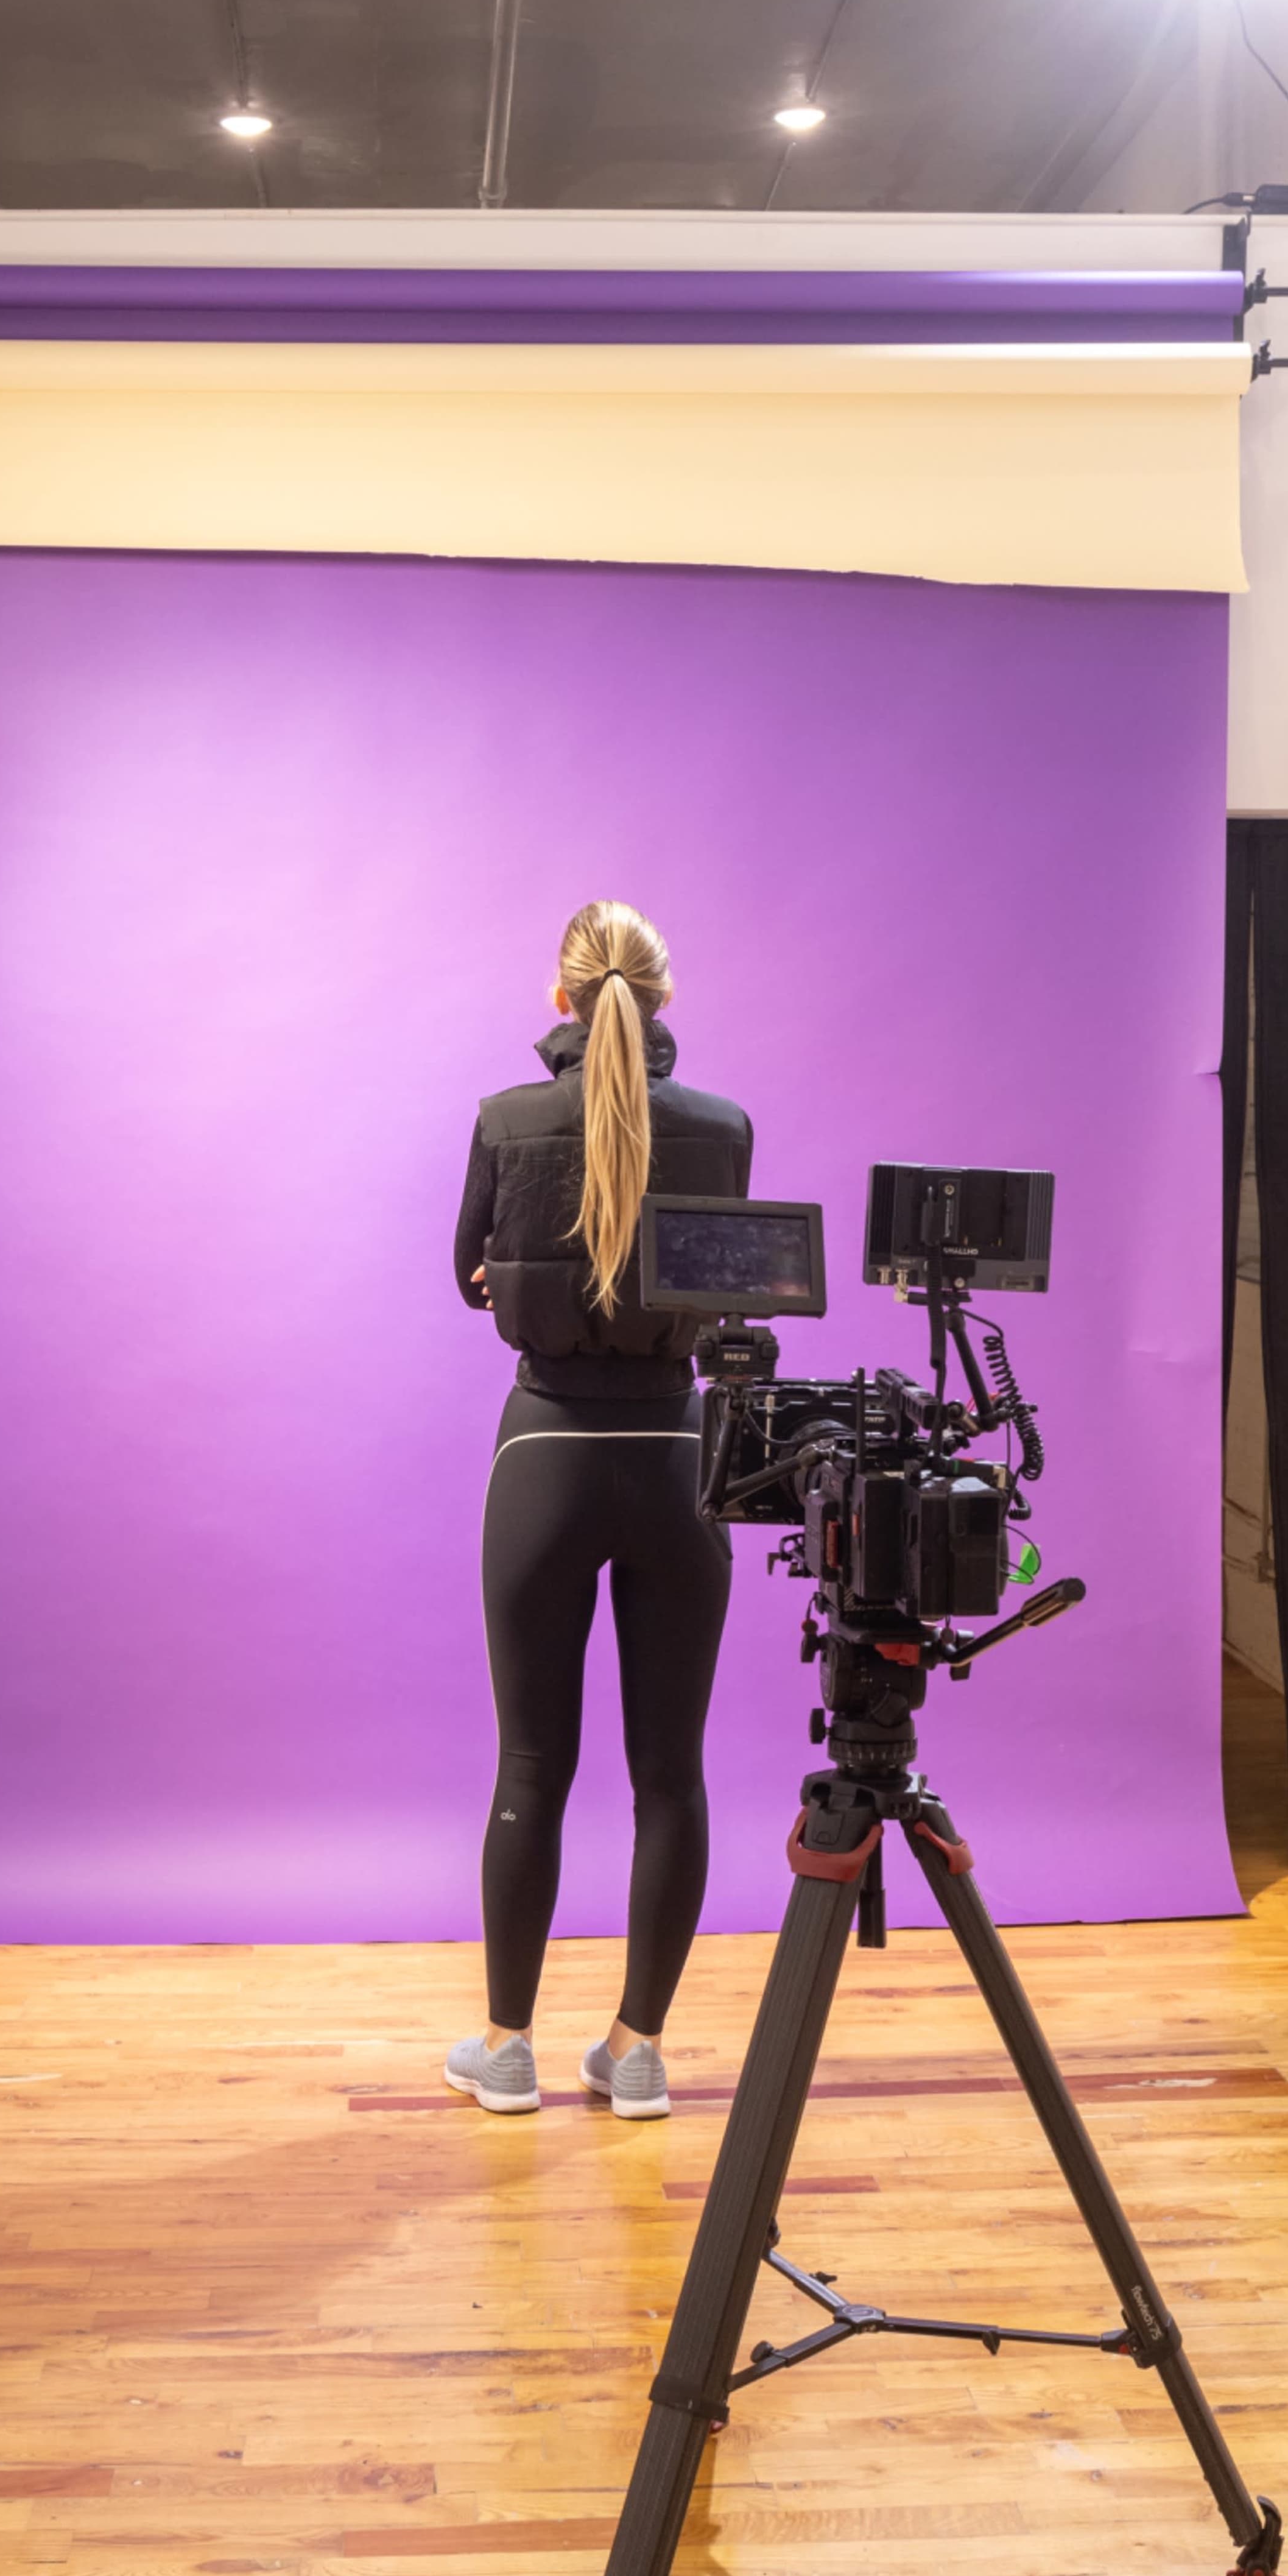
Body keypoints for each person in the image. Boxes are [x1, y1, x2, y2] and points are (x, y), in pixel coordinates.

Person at [445, 901, 753, 2121]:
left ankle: (507, 2048)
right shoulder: (723, 1131)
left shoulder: (506, 1120)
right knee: (669, 1774)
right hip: (681, 1461)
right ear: (662, 997)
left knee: (533, 1764)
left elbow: (470, 1276)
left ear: (561, 997)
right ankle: (635, 2053)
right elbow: (721, 1279)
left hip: (548, 1458)